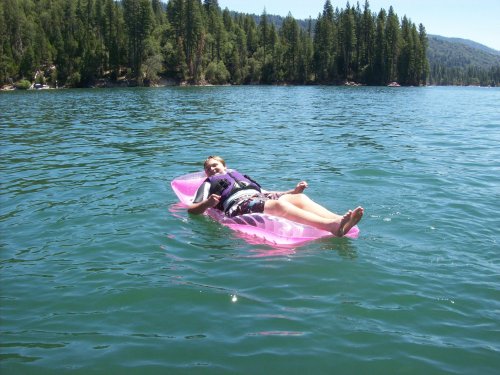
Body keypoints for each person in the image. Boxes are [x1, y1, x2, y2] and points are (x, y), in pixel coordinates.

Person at [187, 156, 364, 237]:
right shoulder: (209, 183)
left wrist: (292, 192)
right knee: (278, 206)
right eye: (207, 168)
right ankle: (332, 226)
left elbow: (265, 193)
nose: (211, 169)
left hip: (257, 198)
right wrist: (208, 203)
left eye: (214, 165)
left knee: (299, 199)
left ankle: (339, 219)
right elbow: (192, 210)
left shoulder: (241, 177)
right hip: (237, 206)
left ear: (224, 166)